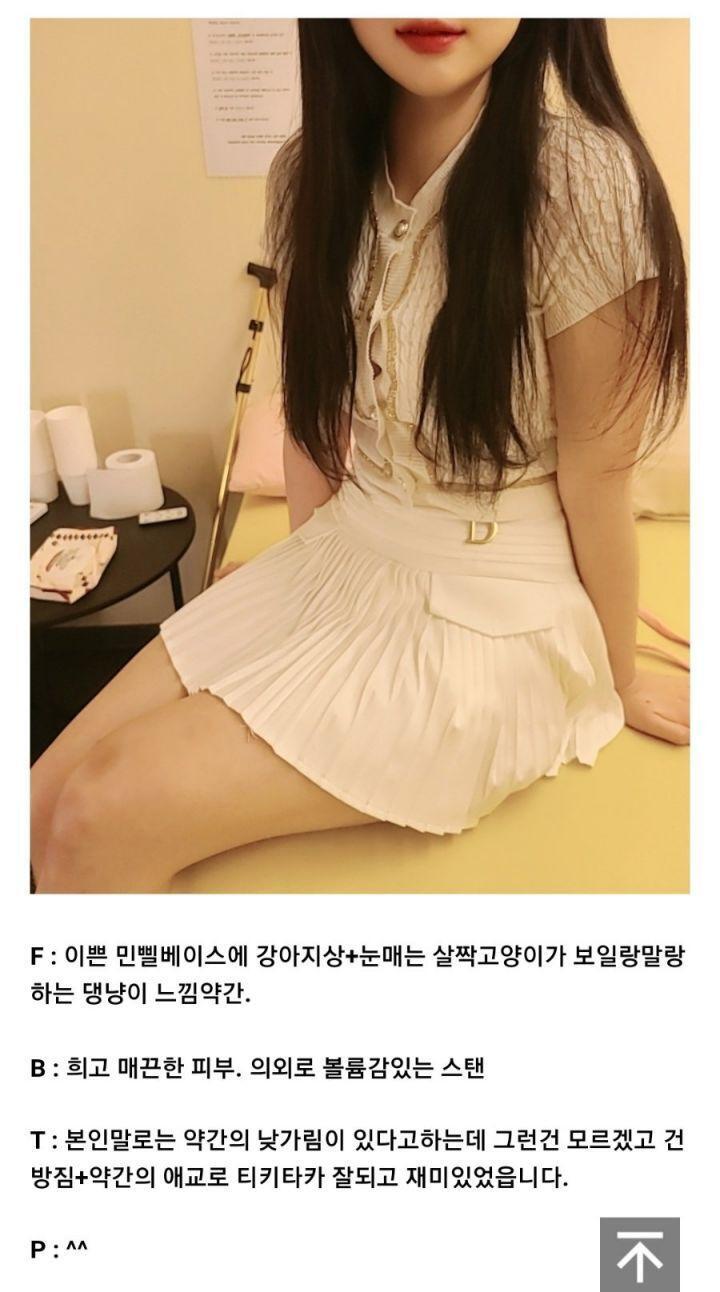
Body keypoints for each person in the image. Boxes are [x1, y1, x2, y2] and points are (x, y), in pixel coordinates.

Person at [32, 18, 689, 894]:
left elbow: (598, 477)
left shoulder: (584, 180)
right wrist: (296, 584)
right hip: (346, 551)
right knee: (39, 802)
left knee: (100, 811)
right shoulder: (308, 172)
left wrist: (615, 678)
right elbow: (318, 419)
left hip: (495, 613)